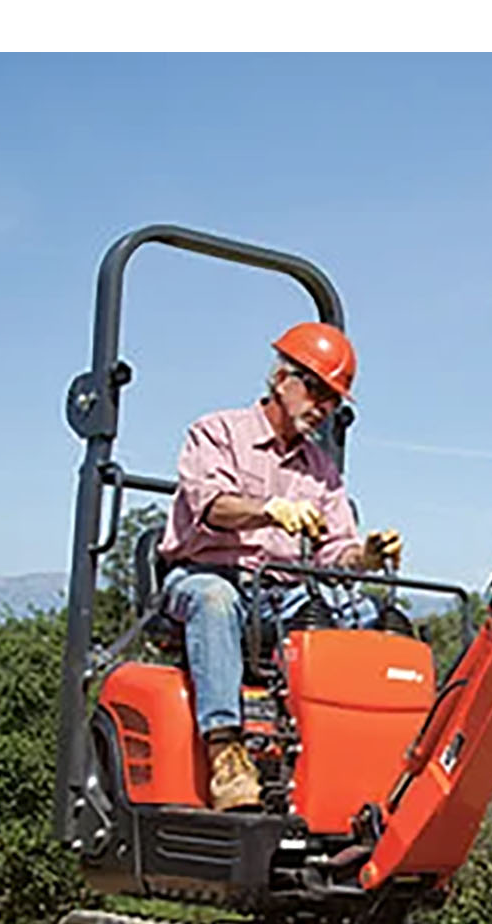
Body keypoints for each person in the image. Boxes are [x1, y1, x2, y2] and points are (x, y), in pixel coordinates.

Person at [156, 322, 402, 810]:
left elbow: (335, 554)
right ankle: (226, 753)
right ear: (280, 377)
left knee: (372, 620)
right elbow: (210, 504)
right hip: (210, 575)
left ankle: (367, 754)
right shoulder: (217, 432)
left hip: (284, 592)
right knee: (215, 601)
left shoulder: (321, 469)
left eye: (334, 399)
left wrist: (365, 556)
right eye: (316, 389)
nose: (323, 406)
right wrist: (268, 508)